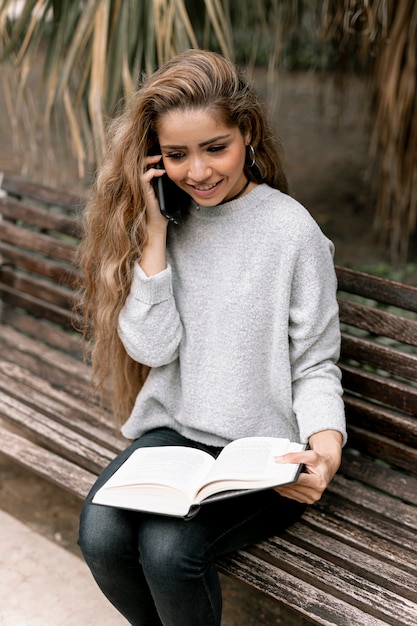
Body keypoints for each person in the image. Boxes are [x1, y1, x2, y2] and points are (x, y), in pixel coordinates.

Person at [77, 49, 346, 626]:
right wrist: (152, 240)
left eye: (214, 148)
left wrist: (325, 452)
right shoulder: (168, 222)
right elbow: (151, 350)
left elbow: (316, 364)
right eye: (176, 155)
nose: (197, 172)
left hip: (260, 456)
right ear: (155, 156)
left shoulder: (292, 233)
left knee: (170, 552)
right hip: (175, 435)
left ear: (246, 133)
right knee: (100, 534)